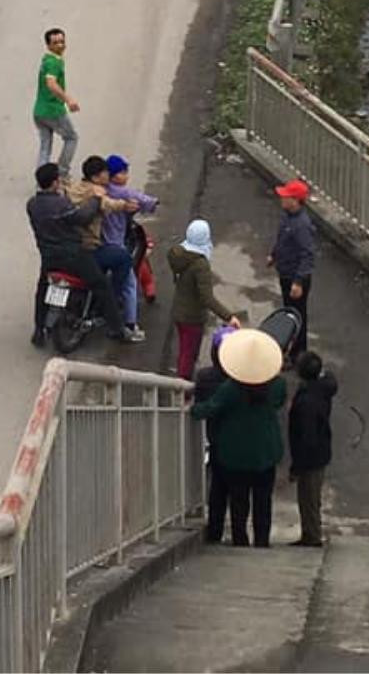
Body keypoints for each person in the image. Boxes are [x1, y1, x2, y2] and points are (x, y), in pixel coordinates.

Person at [191, 329, 286, 548]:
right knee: (263, 501)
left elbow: (209, 409)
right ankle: (262, 541)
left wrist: (193, 408)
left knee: (238, 501)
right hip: (266, 451)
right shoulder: (277, 385)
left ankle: (240, 540)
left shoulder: (232, 388)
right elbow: (279, 402)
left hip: (234, 453)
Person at [27, 162, 130, 345]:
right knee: (102, 284)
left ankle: (38, 330)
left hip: (48, 256)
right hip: (73, 255)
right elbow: (82, 218)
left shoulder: (33, 204)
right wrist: (96, 199)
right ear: (55, 182)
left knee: (42, 290)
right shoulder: (60, 204)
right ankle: (118, 329)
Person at [69, 155, 144, 341]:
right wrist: (126, 206)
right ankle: (112, 298)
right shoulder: (96, 192)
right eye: (104, 173)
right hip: (90, 247)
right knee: (123, 258)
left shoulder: (75, 189)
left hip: (70, 245)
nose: (107, 175)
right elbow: (111, 204)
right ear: (95, 177)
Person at [168, 219, 240, 379]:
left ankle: (181, 378)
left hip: (179, 312)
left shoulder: (177, 254)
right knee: (189, 354)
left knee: (184, 350)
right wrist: (229, 316)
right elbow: (207, 297)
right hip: (192, 317)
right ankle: (183, 388)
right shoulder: (200, 264)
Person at [101, 154, 158, 334]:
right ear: (114, 175)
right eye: (123, 172)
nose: (126, 176)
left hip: (95, 243)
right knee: (130, 284)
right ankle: (130, 324)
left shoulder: (98, 190)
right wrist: (153, 202)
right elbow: (146, 201)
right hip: (115, 244)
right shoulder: (123, 193)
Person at [288, 352, 338, 547]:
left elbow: (306, 437)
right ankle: (310, 533)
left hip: (310, 456)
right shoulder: (323, 389)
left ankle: (312, 535)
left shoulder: (307, 400)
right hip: (321, 451)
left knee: (308, 498)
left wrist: (297, 466)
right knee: (311, 497)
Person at [268, 179, 315, 359]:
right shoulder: (287, 217)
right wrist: (274, 255)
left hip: (294, 278)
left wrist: (298, 282)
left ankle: (297, 353)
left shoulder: (302, 225)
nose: (282, 198)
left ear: (295, 200)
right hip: (286, 272)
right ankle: (290, 347)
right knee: (289, 312)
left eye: (286, 196)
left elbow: (308, 255)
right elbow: (282, 241)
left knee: (296, 316)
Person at [194, 329, 233, 543]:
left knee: (218, 489)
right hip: (240, 442)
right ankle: (242, 536)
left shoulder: (205, 377)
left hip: (217, 440)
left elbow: (200, 404)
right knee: (240, 492)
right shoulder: (245, 378)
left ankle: (215, 533)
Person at [34, 27, 79, 175]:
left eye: (62, 41)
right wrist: (68, 99)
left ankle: (43, 181)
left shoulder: (47, 60)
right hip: (53, 111)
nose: (60, 45)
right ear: (48, 45)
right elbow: (51, 83)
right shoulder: (54, 63)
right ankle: (62, 173)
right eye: (55, 43)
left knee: (45, 147)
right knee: (71, 138)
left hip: (39, 112)